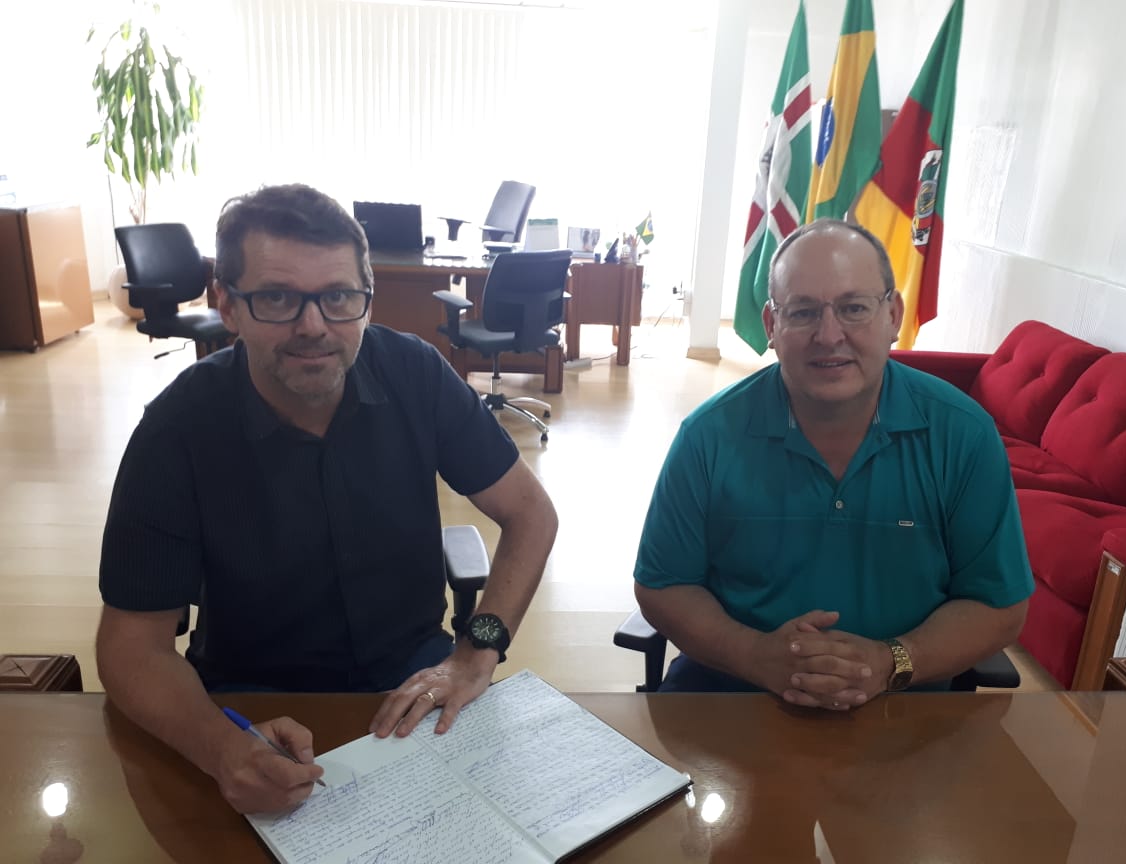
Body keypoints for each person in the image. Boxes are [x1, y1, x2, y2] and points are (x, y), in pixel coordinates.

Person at [97, 184, 558, 813]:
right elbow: (130, 647)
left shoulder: (417, 375)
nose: (313, 327)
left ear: (367, 300)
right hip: (251, 698)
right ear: (227, 305)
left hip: (416, 679)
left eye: (338, 297)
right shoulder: (177, 431)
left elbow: (530, 514)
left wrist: (477, 652)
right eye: (277, 298)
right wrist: (220, 749)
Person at [633, 219, 1032, 706]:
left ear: (893, 315)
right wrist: (755, 656)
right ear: (771, 326)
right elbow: (663, 586)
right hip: (733, 694)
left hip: (906, 705)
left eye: (854, 308)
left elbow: (998, 605)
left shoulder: (964, 436)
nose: (829, 335)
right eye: (802, 312)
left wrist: (890, 662)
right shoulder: (708, 437)